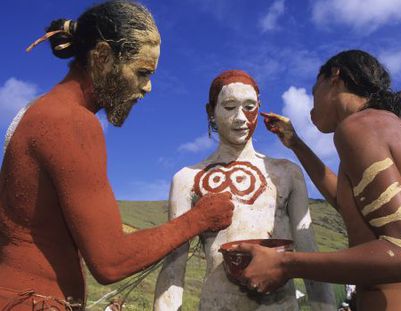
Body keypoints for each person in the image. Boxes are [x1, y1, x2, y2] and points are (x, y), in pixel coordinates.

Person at [0, 1, 234, 310]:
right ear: (103, 57)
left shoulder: (37, 110)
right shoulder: (70, 121)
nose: (147, 87)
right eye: (142, 72)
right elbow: (110, 261)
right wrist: (200, 218)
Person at [235, 50, 401, 310]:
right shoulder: (390, 127)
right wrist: (296, 143)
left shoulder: (358, 127)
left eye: (313, 91)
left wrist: (284, 264)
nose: (312, 105)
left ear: (335, 77)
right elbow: (349, 206)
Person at [153, 70, 335, 310]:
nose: (240, 118)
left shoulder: (287, 172)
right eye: (229, 107)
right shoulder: (187, 179)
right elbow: (174, 266)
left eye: (249, 107)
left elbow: (308, 249)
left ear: (259, 109)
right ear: (211, 111)